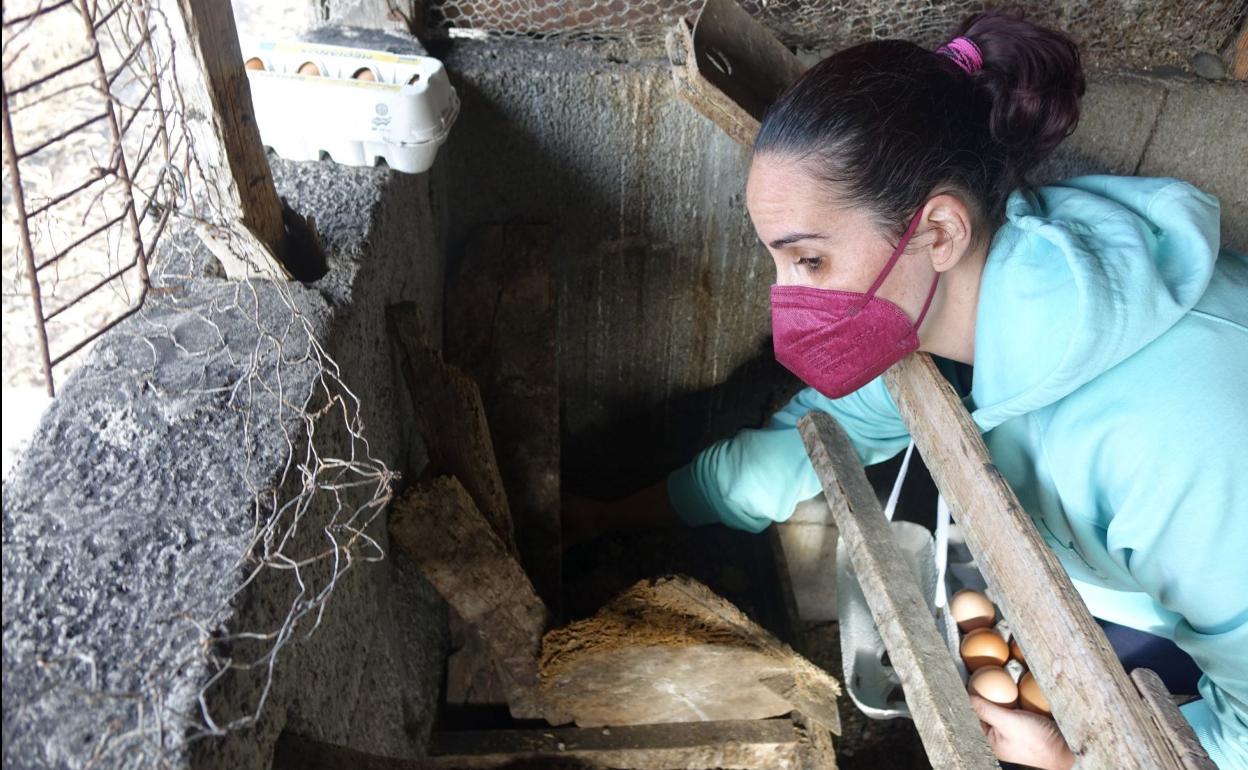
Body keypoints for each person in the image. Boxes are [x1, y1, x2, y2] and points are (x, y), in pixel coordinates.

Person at [564, 10, 1248, 769]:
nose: (783, 299)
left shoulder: (1180, 444)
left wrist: (1071, 762)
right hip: (1130, 585)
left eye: (810, 261)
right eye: (779, 261)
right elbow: (801, 446)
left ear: (939, 233)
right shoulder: (965, 310)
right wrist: (609, 518)